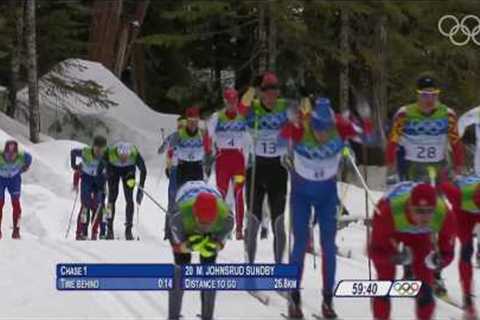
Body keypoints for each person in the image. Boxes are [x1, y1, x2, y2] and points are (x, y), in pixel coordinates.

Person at [280, 97, 373, 319]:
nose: (321, 134)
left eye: (326, 129)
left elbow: (369, 137)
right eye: (317, 128)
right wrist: (287, 139)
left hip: (327, 196)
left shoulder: (341, 125)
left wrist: (366, 120)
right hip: (301, 194)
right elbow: (279, 138)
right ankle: (294, 299)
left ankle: (328, 301)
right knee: (300, 244)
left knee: (328, 247)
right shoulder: (301, 125)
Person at [369, 182, 456, 320]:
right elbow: (374, 251)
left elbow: (448, 252)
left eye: (429, 211)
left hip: (421, 237)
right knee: (384, 283)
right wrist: (394, 257)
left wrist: (438, 260)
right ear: (409, 206)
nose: (425, 217)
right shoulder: (388, 212)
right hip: (393, 232)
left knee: (425, 289)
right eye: (419, 211)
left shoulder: (444, 214)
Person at [240, 71, 292, 264]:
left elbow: (303, 118)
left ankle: (279, 267)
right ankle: (250, 264)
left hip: (278, 170)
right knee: (253, 222)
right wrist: (251, 89)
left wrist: (306, 100)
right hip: (256, 168)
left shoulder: (284, 107)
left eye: (274, 92)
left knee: (279, 224)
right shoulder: (253, 108)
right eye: (267, 92)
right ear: (261, 93)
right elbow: (241, 109)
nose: (271, 97)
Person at [168, 180, 234, 320]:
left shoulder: (227, 218)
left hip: (209, 201)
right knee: (181, 266)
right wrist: (189, 245)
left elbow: (220, 244)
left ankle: (207, 315)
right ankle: (173, 315)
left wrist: (215, 245)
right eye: (202, 223)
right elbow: (177, 246)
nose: (205, 228)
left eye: (208, 223)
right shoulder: (178, 217)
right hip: (185, 201)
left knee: (209, 269)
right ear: (195, 215)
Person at [386, 74, 464, 183]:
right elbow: (392, 143)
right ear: (418, 95)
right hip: (411, 166)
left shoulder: (447, 114)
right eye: (425, 95)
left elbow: (456, 143)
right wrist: (391, 169)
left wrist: (459, 168)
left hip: (439, 165)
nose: (430, 99)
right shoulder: (404, 113)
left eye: (434, 95)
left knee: (441, 198)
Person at [207, 88, 248, 240]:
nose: (232, 105)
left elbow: (253, 133)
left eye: (234, 102)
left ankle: (239, 229)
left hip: (238, 159)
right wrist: (207, 152)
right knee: (222, 192)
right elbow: (208, 136)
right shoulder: (217, 117)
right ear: (225, 102)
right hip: (223, 159)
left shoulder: (242, 116)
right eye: (229, 102)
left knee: (238, 193)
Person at [440, 176, 480, 320]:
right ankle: (467, 299)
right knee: (466, 250)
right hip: (463, 215)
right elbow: (442, 184)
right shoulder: (457, 195)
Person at [100, 142, 147, 240]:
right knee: (111, 199)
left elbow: (143, 170)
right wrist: (101, 179)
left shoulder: (134, 153)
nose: (123, 159)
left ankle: (128, 230)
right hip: (113, 169)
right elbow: (101, 165)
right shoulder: (110, 152)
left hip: (128, 171)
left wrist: (140, 188)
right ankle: (109, 229)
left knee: (129, 199)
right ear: (117, 153)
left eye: (126, 157)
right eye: (121, 157)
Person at [71, 135, 108, 240]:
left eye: (102, 149)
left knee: (97, 207)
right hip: (86, 180)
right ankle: (80, 232)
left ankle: (94, 233)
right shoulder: (86, 152)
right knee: (85, 206)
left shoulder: (105, 156)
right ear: (93, 147)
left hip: (98, 181)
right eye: (97, 149)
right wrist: (74, 166)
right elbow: (73, 152)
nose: (99, 152)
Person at [159, 117, 186, 240]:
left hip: (186, 171)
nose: (181, 129)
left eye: (183, 126)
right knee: (172, 201)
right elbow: (162, 150)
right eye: (179, 126)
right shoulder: (173, 136)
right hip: (175, 171)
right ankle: (169, 232)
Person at [0, 140, 32, 239]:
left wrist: (24, 168)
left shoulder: (22, 155)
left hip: (14, 179)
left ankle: (16, 230)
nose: (10, 156)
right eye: (8, 154)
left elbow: (29, 158)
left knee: (16, 204)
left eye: (13, 154)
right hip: (1, 179)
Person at [175, 107, 213, 189]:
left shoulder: (202, 134)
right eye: (191, 121)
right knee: (182, 193)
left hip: (197, 167)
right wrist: (169, 166)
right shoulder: (180, 133)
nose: (193, 124)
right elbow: (172, 151)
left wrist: (208, 166)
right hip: (183, 167)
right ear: (187, 121)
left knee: (197, 193)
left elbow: (208, 151)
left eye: (195, 121)